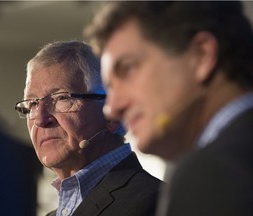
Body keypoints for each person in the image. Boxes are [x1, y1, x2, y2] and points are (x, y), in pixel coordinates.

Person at [85, 1, 253, 216]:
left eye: (128, 69)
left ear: (200, 56)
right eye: (111, 87)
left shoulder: (215, 172)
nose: (111, 109)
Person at [14, 41, 161, 216]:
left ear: (111, 114)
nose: (40, 119)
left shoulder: (157, 203)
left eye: (61, 98)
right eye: (32, 104)